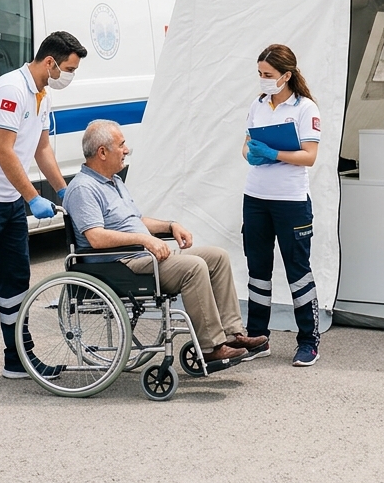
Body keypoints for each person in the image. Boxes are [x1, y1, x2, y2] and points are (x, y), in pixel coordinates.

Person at [0, 31, 87, 389]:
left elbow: (42, 151)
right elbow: (4, 151)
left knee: (16, 281)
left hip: (7, 201)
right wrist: (31, 197)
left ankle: (18, 358)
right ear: (50, 62)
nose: (70, 76)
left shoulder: (42, 95)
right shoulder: (11, 89)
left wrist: (64, 191)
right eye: (69, 68)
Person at [64, 119, 267, 365]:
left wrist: (170, 226)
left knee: (217, 256)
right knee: (194, 267)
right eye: (122, 144)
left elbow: (136, 220)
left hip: (140, 256)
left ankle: (232, 334)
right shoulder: (83, 188)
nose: (127, 150)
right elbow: (95, 237)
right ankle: (211, 346)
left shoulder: (114, 182)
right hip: (120, 265)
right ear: (102, 152)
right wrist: (144, 240)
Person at [242, 44, 322, 366]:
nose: (263, 80)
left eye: (268, 75)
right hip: (256, 198)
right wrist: (253, 153)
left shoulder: (305, 109)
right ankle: (258, 338)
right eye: (260, 74)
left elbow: (310, 156)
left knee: (297, 272)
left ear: (286, 75)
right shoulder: (257, 105)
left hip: (290, 202)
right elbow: (245, 148)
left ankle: (308, 341)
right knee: (258, 271)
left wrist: (274, 154)